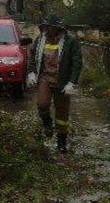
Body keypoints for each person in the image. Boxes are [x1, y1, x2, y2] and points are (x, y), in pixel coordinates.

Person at [25, 14, 83, 153]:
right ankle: (47, 123)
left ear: (58, 28)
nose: (50, 29)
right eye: (48, 26)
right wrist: (32, 72)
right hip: (45, 78)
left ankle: (61, 142)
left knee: (62, 115)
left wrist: (72, 82)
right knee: (42, 104)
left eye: (52, 27)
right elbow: (33, 57)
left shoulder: (70, 41)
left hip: (62, 81)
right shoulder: (40, 40)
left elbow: (77, 62)